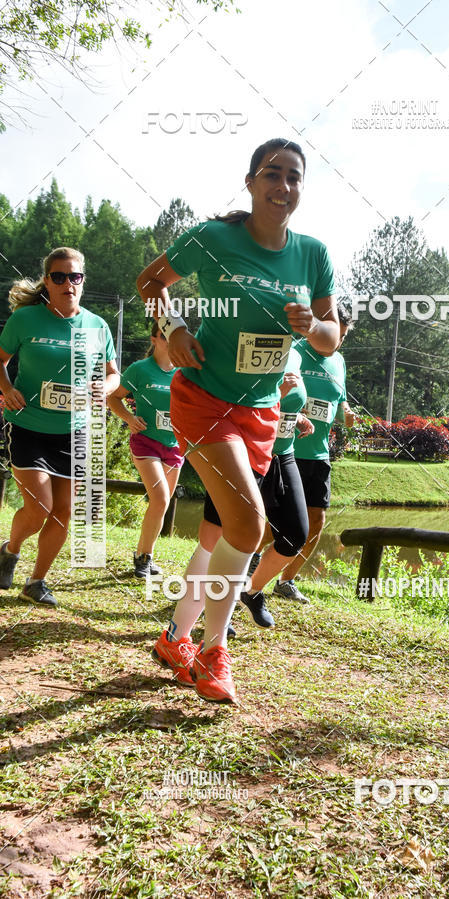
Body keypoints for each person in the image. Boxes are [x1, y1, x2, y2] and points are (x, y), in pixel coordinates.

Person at [137, 137, 339, 703]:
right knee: (250, 527)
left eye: (294, 177)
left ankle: (176, 635)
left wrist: (310, 328)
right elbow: (150, 283)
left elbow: (332, 336)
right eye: (272, 174)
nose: (283, 186)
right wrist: (174, 329)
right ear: (250, 182)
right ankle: (213, 650)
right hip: (203, 400)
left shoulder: (313, 254)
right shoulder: (213, 239)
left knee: (228, 532)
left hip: (261, 412)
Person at [0, 247, 119, 606]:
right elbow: (1, 360)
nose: (68, 283)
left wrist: (105, 387)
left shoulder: (97, 326)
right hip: (29, 425)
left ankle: (36, 582)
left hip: (75, 430)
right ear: (48, 281)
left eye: (75, 276)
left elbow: (114, 375)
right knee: (39, 507)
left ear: (83, 281)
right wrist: (7, 389)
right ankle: (10, 549)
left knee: (64, 510)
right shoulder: (26, 320)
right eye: (59, 276)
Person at [201, 345, 314, 630]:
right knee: (224, 535)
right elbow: (233, 404)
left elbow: (284, 404)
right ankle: (214, 607)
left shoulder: (297, 354)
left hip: (282, 454)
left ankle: (250, 591)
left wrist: (295, 416)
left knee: (295, 535)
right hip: (244, 453)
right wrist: (278, 395)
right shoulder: (249, 343)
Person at [274, 301, 355, 603]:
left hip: (319, 454)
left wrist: (346, 413)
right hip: (284, 449)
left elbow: (340, 399)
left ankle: (286, 581)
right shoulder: (293, 351)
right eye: (335, 332)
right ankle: (247, 568)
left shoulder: (340, 362)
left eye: (343, 336)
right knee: (274, 522)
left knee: (316, 522)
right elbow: (268, 393)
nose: (337, 341)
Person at [107, 321, 184, 578]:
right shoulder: (141, 369)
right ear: (154, 339)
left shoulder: (185, 373)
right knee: (161, 498)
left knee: (161, 504)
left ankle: (144, 555)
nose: (170, 340)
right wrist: (129, 418)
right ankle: (143, 561)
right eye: (164, 335)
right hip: (146, 442)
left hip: (175, 446)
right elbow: (113, 397)